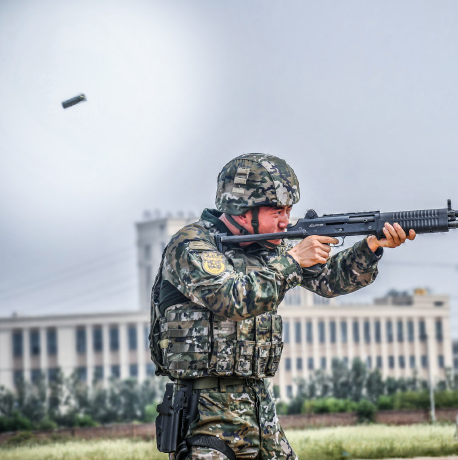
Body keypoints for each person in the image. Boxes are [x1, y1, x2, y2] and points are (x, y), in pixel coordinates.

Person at [149, 153, 416, 460]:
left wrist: (372, 247)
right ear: (240, 207)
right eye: (276, 210)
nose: (285, 220)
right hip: (207, 412)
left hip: (259, 405)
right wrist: (291, 261)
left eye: (288, 210)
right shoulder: (193, 245)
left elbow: (330, 281)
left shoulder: (269, 246)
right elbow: (231, 298)